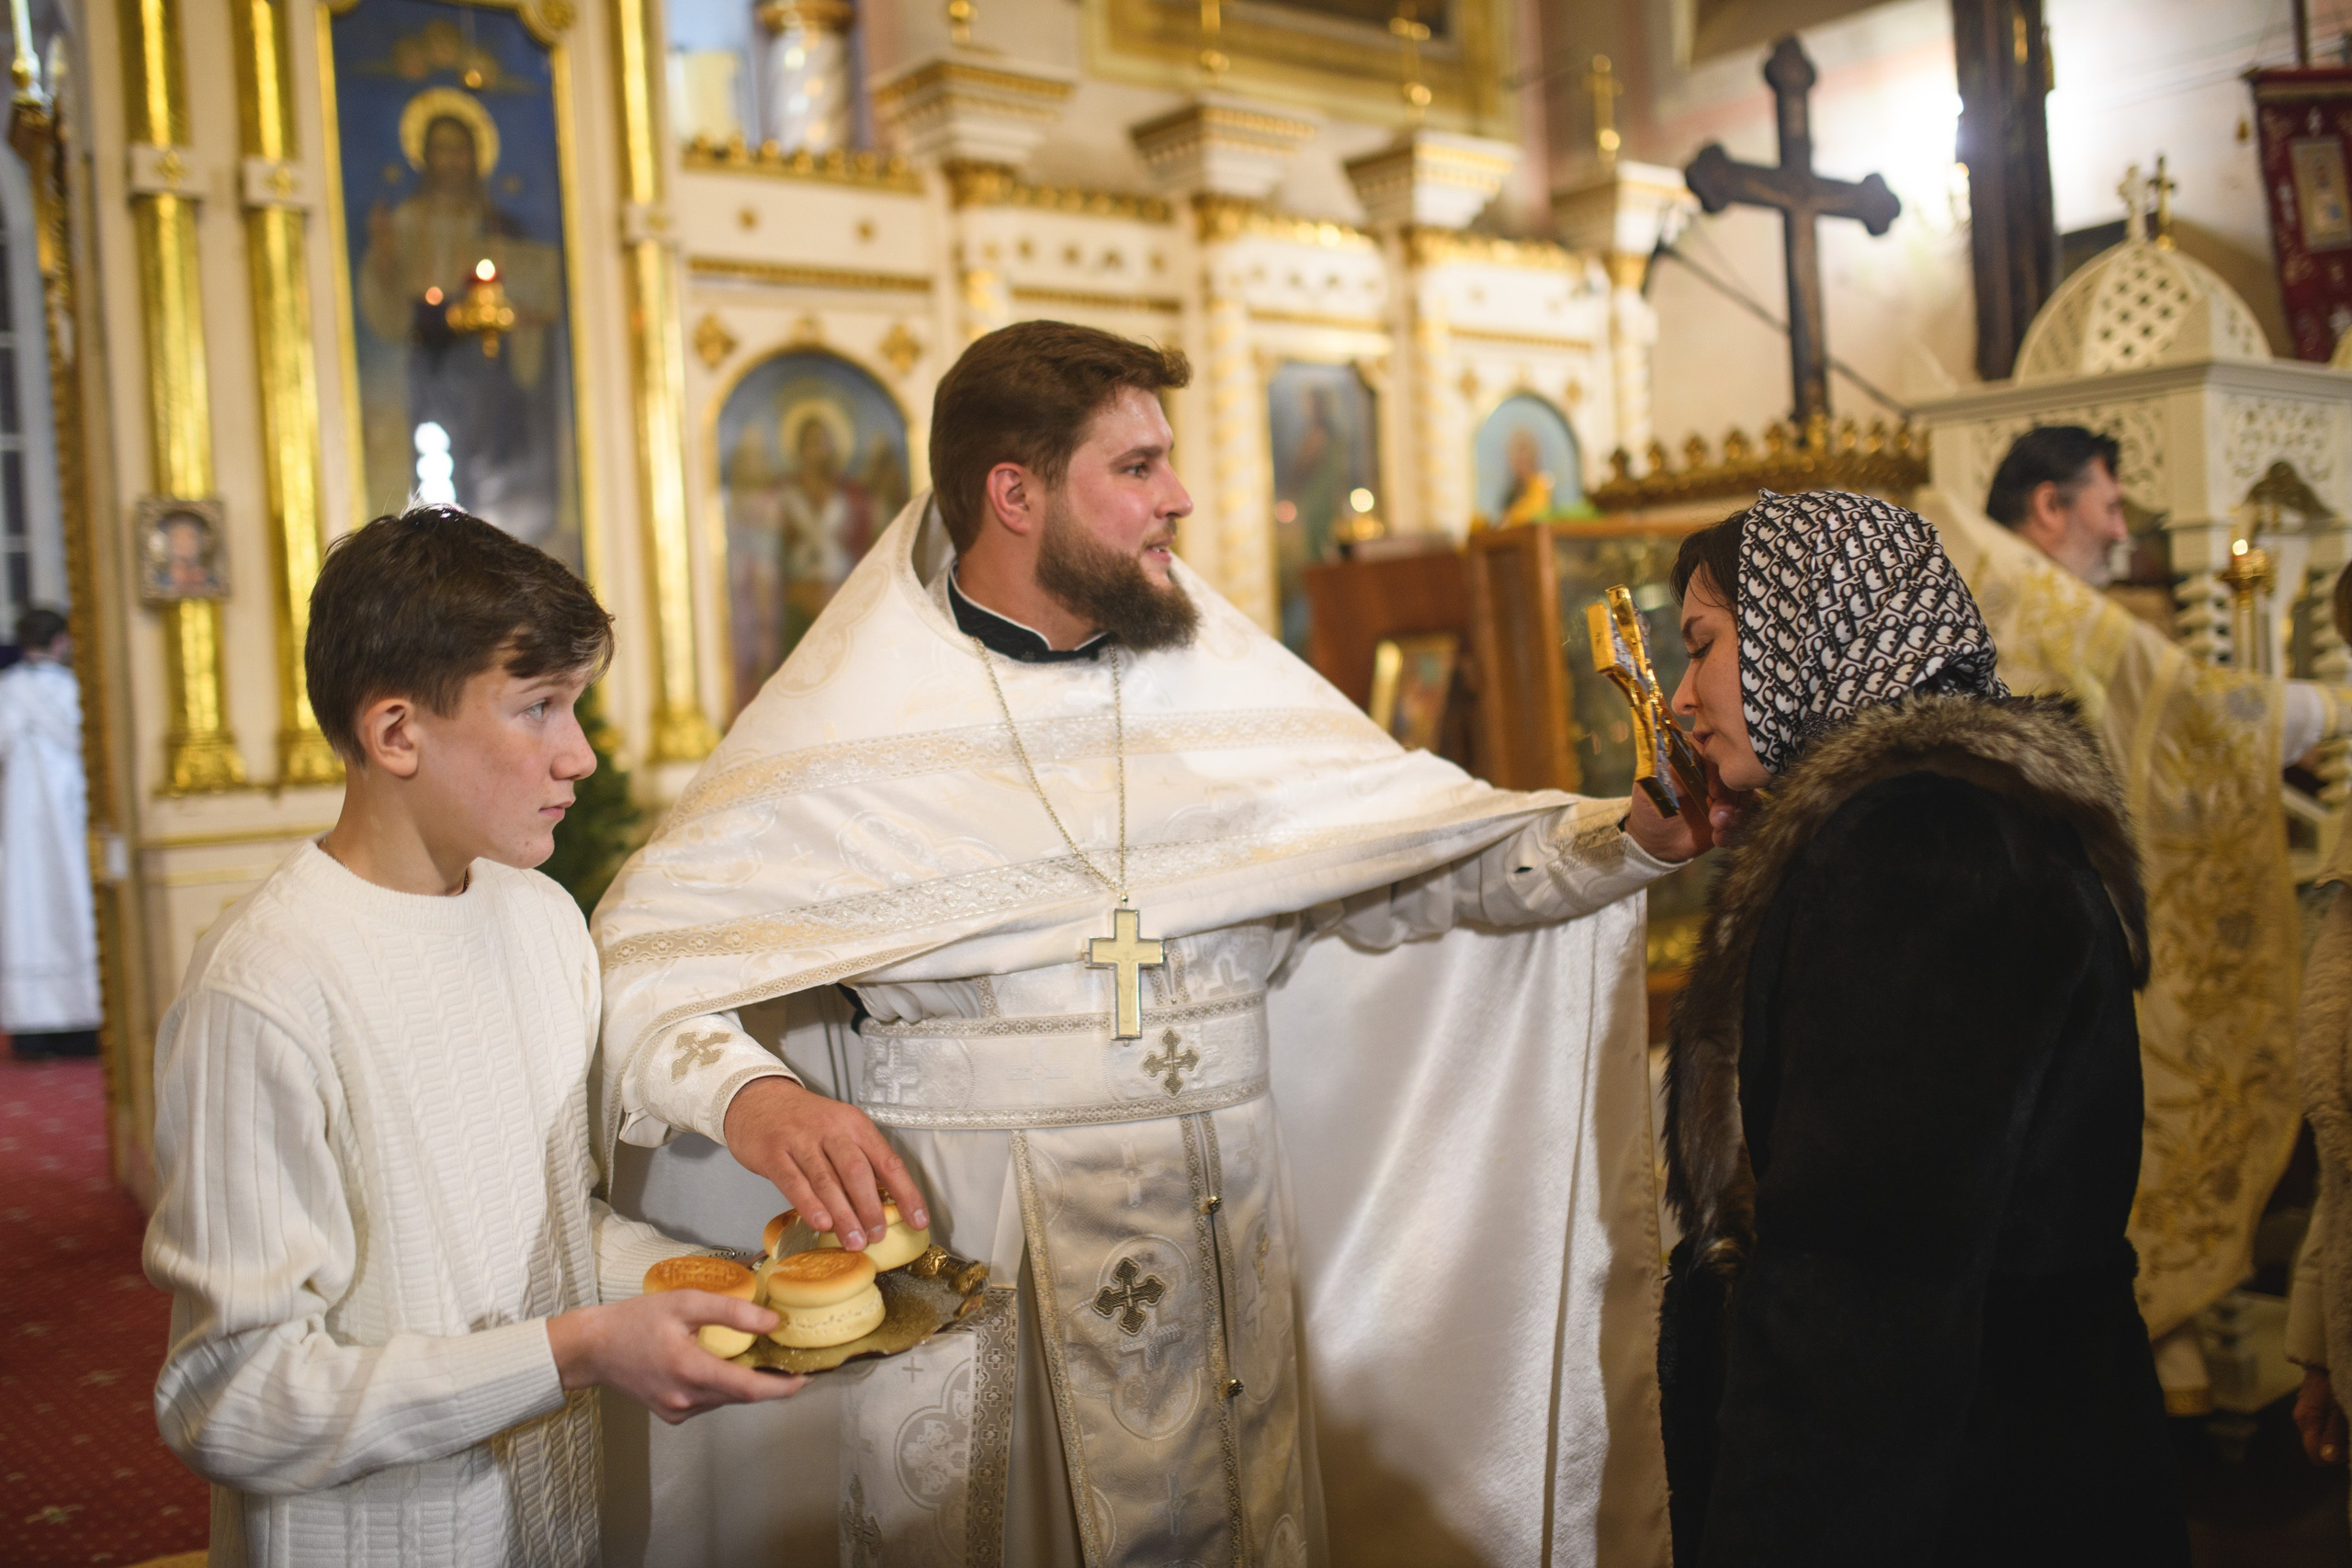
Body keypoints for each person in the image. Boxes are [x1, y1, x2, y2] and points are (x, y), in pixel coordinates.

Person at [591, 320, 1698, 1567]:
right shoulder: (850, 728)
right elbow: (635, 958)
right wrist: (755, 1095)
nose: (1179, 498)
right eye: (1137, 468)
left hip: (1233, 1283)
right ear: (1014, 492)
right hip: (987, 1293)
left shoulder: (1222, 683)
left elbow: (1405, 868)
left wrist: (1628, 839)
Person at [142, 508, 800, 1566]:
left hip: (554, 1520)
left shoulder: (538, 918)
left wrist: (737, 1293)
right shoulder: (264, 990)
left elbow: (544, 1228)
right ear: (396, 732)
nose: (578, 755)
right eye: (536, 708)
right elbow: (231, 1400)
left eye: (573, 705)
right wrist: (573, 1352)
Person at [1657, 490, 2186, 1565]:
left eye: (1702, 647)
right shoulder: (1943, 817)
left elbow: (1862, 1299)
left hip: (1969, 1498)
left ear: (1810, 625)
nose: (1676, 698)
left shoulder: (1917, 851)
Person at [1927, 438, 2322, 1418]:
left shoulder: (1985, 583)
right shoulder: (2036, 601)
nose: (2121, 529)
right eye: (2109, 506)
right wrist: (2322, 708)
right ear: (2049, 507)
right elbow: (2188, 710)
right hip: (2055, 944)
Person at [0, 606, 100, 1057]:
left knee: (28, 910)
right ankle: (81, 1022)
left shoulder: (9, 690)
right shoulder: (75, 692)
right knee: (74, 908)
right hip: (69, 811)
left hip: (24, 820)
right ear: (61, 641)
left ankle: (32, 1030)